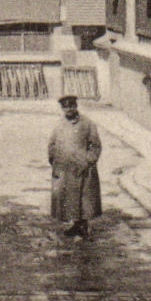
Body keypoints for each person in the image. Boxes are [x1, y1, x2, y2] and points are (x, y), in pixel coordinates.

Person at [49, 94, 102, 238]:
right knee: (68, 199)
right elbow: (52, 144)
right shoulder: (59, 125)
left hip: (82, 169)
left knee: (83, 200)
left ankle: (83, 226)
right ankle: (75, 224)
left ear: (76, 106)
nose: (69, 109)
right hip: (64, 169)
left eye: (71, 106)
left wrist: (88, 160)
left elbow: (95, 145)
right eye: (65, 107)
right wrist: (54, 161)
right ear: (62, 108)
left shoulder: (87, 124)